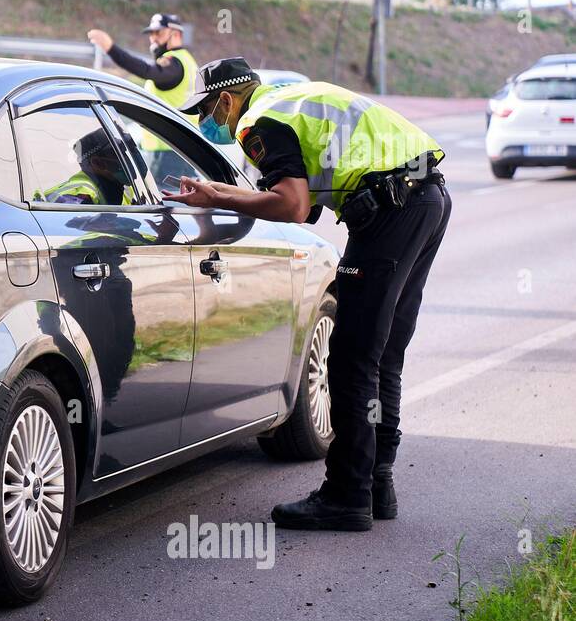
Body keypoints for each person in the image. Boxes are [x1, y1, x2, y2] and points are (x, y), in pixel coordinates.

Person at [164, 57, 451, 532]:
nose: (212, 122)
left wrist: (217, 197)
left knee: (352, 358)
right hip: (427, 198)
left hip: (390, 211)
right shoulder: (293, 100)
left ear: (228, 99)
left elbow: (292, 205)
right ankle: (378, 484)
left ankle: (346, 495)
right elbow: (313, 194)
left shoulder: (258, 121)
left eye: (211, 111)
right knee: (384, 353)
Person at [87, 13, 198, 188]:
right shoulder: (187, 61)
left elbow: (146, 70)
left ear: (176, 34)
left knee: (166, 210)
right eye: (151, 34)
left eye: (159, 33)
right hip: (176, 151)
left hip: (167, 154)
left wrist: (110, 48)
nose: (153, 39)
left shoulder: (175, 64)